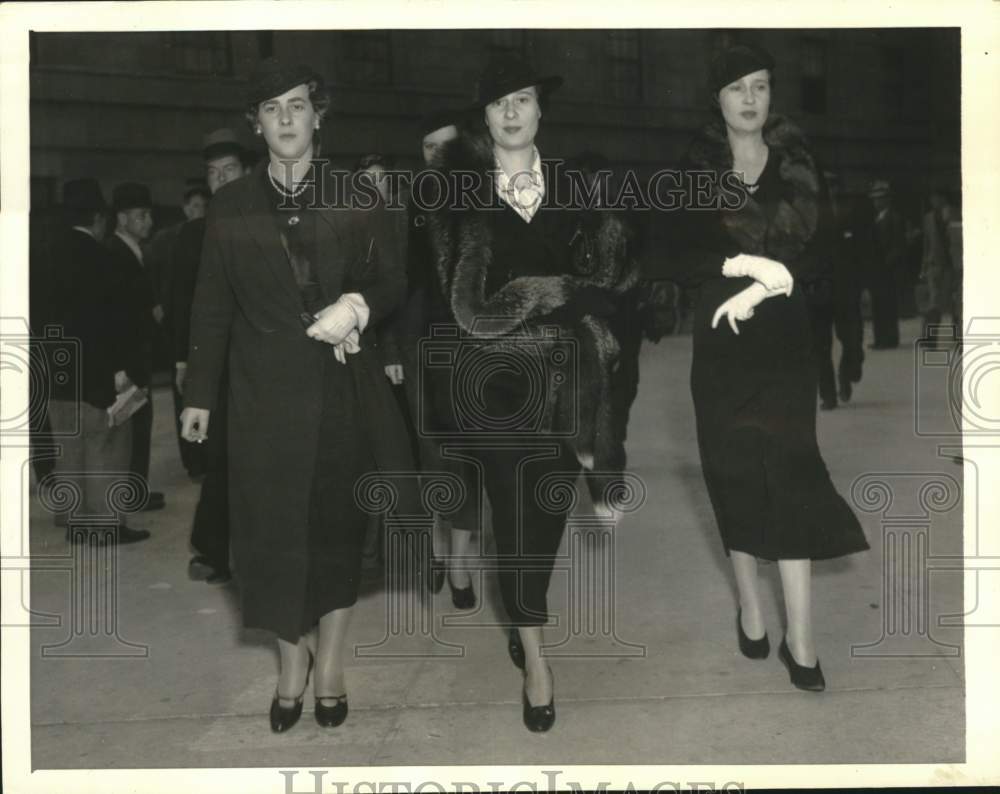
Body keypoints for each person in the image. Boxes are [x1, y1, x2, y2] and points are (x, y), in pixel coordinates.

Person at [180, 59, 411, 733]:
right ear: (258, 124)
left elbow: (394, 279)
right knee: (268, 536)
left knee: (337, 531)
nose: (286, 119)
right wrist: (199, 391)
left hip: (341, 387)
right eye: (272, 109)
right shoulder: (231, 204)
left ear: (319, 116)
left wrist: (358, 305)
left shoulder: (357, 196)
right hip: (260, 398)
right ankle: (291, 663)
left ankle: (331, 663)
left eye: (297, 106)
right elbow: (211, 304)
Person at [426, 55, 630, 731]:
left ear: (540, 111)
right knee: (512, 511)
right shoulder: (453, 196)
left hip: (564, 384)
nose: (512, 112)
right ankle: (538, 657)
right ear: (483, 118)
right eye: (498, 103)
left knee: (540, 516)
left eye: (523, 100)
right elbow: (436, 295)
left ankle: (521, 606)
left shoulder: (579, 190)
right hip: (487, 383)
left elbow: (610, 285)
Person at [666, 43, 869, 692]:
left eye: (759, 86)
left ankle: (801, 641)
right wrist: (741, 267)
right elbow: (673, 255)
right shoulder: (694, 169)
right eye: (736, 88)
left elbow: (821, 252)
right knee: (731, 472)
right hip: (721, 341)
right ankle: (751, 604)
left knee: (789, 472)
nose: (750, 98)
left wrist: (768, 284)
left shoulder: (800, 164)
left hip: (783, 341)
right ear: (716, 100)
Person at [399, 111, 485, 608]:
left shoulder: (481, 203)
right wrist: (397, 349)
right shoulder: (412, 206)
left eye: (446, 146)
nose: (437, 156)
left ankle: (457, 562)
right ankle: (436, 551)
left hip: (473, 347)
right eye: (427, 147)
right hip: (421, 347)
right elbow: (402, 280)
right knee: (430, 453)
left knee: (467, 456)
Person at [46, 179, 150, 544]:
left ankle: (74, 521)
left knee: (67, 448)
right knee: (106, 447)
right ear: (97, 218)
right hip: (94, 373)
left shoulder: (43, 256)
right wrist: (122, 370)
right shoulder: (102, 259)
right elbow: (112, 323)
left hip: (55, 373)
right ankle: (106, 526)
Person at [172, 128, 253, 585]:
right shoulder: (193, 235)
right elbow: (182, 302)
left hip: (261, 360)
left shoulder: (267, 221)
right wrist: (185, 363)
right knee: (221, 459)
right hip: (215, 365)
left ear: (247, 173)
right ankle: (214, 550)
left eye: (229, 171)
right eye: (214, 174)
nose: (221, 181)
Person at [106, 182, 165, 512]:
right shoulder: (116, 253)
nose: (149, 222)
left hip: (137, 355)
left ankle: (135, 491)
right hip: (127, 357)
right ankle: (130, 494)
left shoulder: (133, 251)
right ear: (122, 218)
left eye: (150, 216)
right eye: (142, 216)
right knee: (130, 427)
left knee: (140, 425)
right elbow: (118, 311)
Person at [806, 171, 871, 409]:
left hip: (847, 290)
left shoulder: (853, 215)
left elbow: (865, 253)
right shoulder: (808, 217)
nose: (829, 191)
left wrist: (865, 286)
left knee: (853, 342)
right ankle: (828, 395)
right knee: (820, 348)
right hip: (817, 291)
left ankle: (847, 374)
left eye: (833, 186)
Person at [867, 179, 906, 350]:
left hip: (887, 270)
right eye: (875, 199)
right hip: (878, 270)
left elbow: (898, 245)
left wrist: (884, 264)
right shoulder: (877, 219)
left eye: (880, 199)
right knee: (879, 305)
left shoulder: (894, 218)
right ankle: (882, 338)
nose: (877, 202)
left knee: (887, 305)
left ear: (887, 199)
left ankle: (889, 338)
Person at [921, 188, 959, 344]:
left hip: (952, 265)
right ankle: (930, 337)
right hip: (934, 265)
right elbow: (926, 243)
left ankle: (960, 337)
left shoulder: (955, 214)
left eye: (936, 198)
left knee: (956, 303)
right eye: (932, 198)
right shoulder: (928, 218)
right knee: (933, 303)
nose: (933, 201)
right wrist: (923, 266)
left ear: (943, 198)